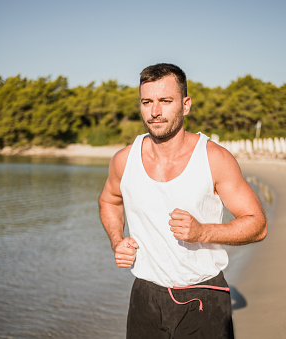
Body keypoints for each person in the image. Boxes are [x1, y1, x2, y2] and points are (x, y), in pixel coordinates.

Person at [98, 63, 267, 338]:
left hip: (204, 296)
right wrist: (117, 240)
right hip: (145, 297)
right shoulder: (124, 160)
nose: (155, 112)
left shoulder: (214, 158)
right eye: (147, 102)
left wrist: (204, 231)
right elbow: (109, 201)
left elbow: (258, 225)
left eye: (165, 101)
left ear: (185, 105)